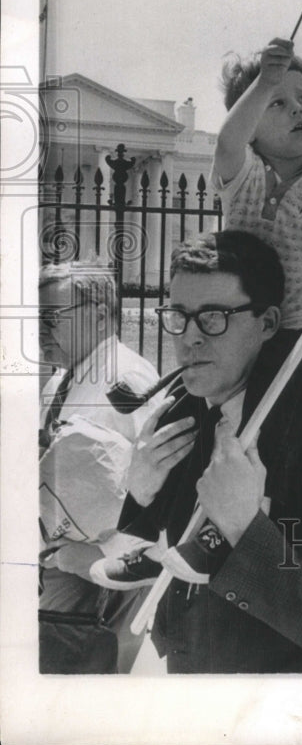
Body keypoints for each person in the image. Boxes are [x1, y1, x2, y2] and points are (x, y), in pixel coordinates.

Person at [96, 231, 302, 673]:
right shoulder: (189, 415)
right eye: (178, 315)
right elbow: (160, 549)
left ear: (268, 323)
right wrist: (139, 491)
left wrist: (246, 530)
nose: (189, 338)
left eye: (213, 317)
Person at [38, 261, 160, 673]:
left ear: (100, 313)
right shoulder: (61, 381)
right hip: (62, 570)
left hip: (105, 581)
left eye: (52, 317)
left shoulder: (127, 379)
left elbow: (159, 488)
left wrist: (100, 554)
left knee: (99, 688)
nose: (40, 330)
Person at [211, 37, 302, 377]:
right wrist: (263, 85)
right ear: (250, 124)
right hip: (237, 330)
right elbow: (228, 141)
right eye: (276, 102)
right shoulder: (244, 173)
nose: (297, 108)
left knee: (284, 423)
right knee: (227, 419)